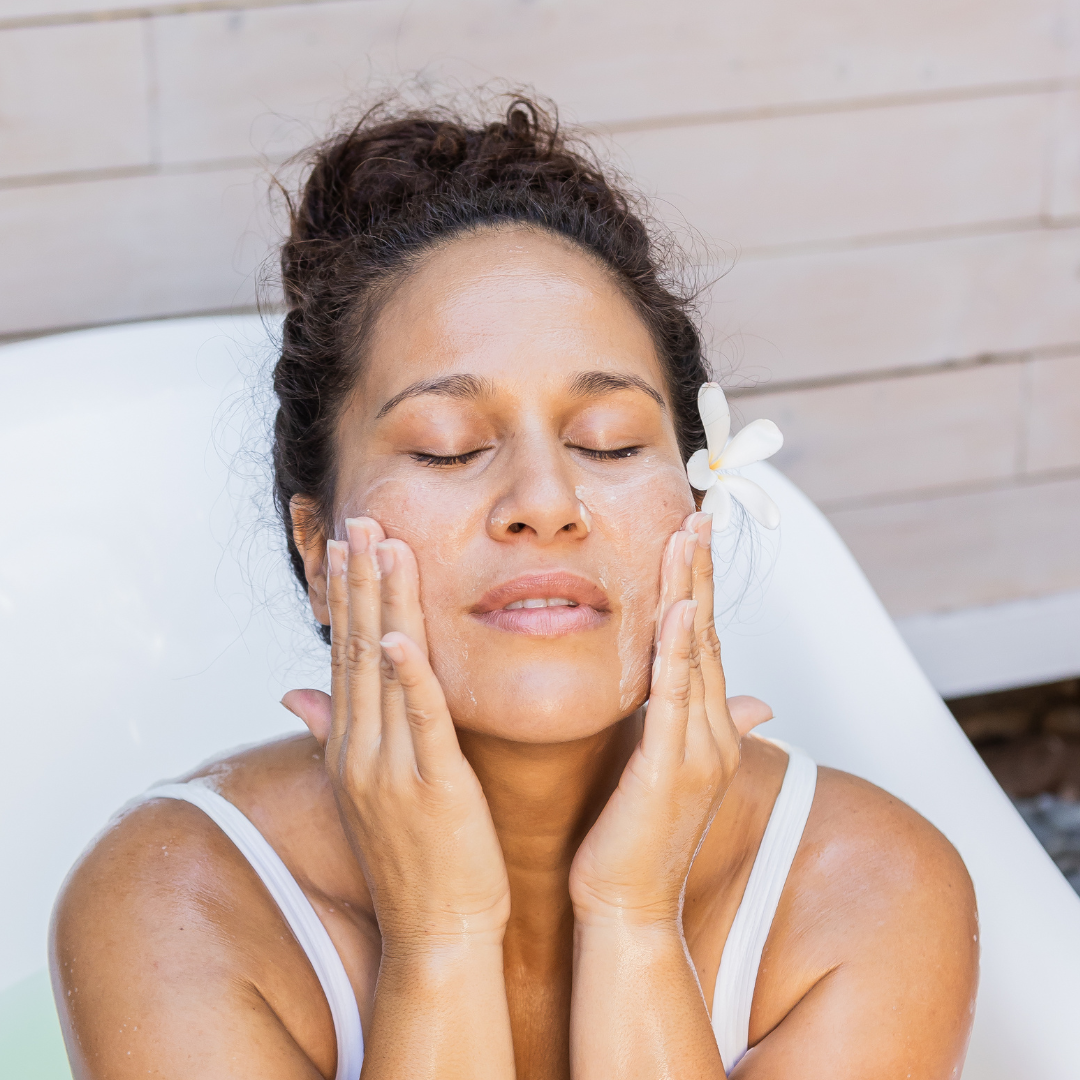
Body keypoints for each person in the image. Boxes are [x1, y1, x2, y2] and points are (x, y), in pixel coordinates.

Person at [50, 97, 978, 1080]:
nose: (545, 501)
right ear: (319, 550)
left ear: (699, 507)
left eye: (609, 441)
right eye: (448, 451)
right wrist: (437, 936)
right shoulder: (174, 904)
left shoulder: (867, 893)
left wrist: (633, 919)